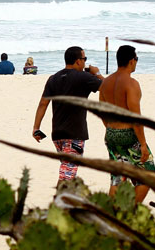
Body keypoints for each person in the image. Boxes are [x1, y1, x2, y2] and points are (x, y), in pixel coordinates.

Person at [32, 46, 104, 180]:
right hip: (74, 134)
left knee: (67, 170)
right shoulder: (84, 77)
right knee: (67, 176)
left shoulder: (53, 78)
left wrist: (36, 128)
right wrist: (97, 73)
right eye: (84, 59)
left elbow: (43, 104)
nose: (85, 62)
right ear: (78, 61)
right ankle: (59, 200)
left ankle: (65, 199)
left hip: (58, 135)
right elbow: (108, 87)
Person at [99, 45, 155, 203]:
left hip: (110, 133)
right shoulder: (131, 84)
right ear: (131, 61)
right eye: (136, 59)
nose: (136, 62)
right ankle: (130, 210)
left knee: (117, 177)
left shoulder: (105, 83)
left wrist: (111, 129)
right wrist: (142, 144)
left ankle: (112, 212)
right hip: (129, 134)